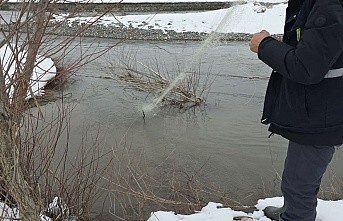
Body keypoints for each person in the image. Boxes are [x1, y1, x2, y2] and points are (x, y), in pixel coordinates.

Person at [249, 0, 343, 220]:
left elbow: (306, 67)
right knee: (296, 175)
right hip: (317, 108)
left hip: (322, 114)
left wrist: (264, 45)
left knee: (299, 182)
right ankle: (293, 210)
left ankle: (297, 216)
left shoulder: (329, 5)